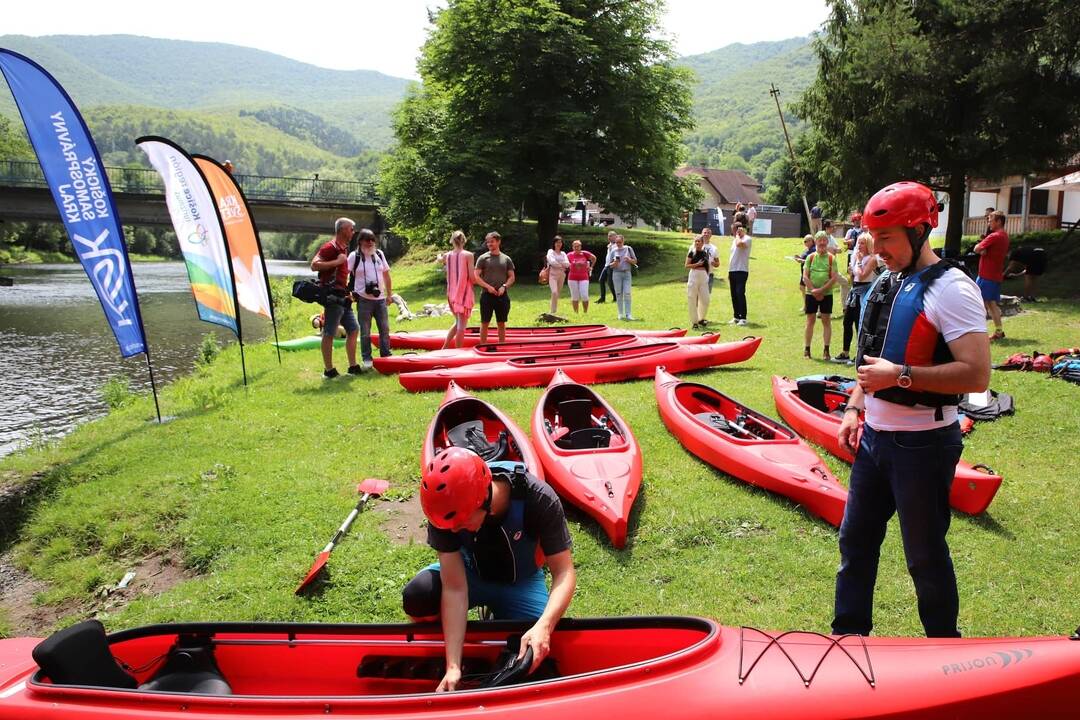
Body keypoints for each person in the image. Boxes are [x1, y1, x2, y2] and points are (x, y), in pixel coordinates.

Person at [834, 180, 990, 639]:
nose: (876, 248)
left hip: (923, 444)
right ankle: (848, 638)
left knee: (923, 554)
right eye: (872, 237)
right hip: (875, 440)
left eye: (886, 238)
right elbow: (870, 361)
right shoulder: (888, 281)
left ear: (921, 231)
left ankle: (944, 647)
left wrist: (902, 376)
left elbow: (976, 375)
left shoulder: (953, 289)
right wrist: (852, 408)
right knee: (855, 543)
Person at [402, 447, 576, 692]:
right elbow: (454, 587)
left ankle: (503, 617)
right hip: (470, 575)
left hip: (521, 582)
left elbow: (564, 572)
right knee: (418, 596)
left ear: (484, 499)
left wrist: (544, 627)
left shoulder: (538, 497)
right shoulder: (445, 511)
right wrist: (453, 665)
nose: (454, 530)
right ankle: (437, 643)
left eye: (461, 522)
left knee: (540, 652)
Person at [310, 217, 360, 378]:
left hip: (343, 297)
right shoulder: (329, 247)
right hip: (332, 297)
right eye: (351, 229)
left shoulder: (343, 248)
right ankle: (329, 370)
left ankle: (353, 367)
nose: (353, 232)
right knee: (329, 332)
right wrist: (336, 262)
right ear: (343, 230)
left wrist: (348, 292)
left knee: (353, 329)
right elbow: (314, 265)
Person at [347, 229, 393, 369]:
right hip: (363, 299)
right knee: (365, 331)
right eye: (367, 240)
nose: (371, 242)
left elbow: (386, 274)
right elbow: (345, 274)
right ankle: (367, 359)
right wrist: (348, 292)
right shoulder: (354, 256)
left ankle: (386, 355)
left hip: (380, 299)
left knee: (384, 329)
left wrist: (389, 294)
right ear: (360, 241)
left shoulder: (379, 254)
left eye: (373, 239)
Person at [837, 232, 878, 362]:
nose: (859, 245)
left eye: (862, 243)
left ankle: (859, 353)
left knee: (859, 324)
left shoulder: (871, 259)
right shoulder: (855, 256)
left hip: (864, 291)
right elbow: (854, 276)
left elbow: (862, 276)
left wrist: (859, 262)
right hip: (854, 290)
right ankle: (845, 352)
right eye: (858, 242)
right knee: (847, 321)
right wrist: (852, 269)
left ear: (868, 244)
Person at [802, 231, 839, 360]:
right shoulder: (810, 257)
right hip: (810, 294)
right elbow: (805, 276)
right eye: (820, 240)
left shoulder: (831, 258)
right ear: (816, 242)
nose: (822, 243)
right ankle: (807, 349)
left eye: (824, 240)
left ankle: (826, 350)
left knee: (826, 321)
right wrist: (813, 290)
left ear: (827, 242)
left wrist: (821, 290)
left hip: (826, 294)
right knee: (810, 321)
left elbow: (834, 278)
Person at [473, 232, 516, 343]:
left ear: (498, 242)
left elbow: (512, 277)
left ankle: (502, 345)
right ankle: (483, 346)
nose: (489, 244)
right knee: (485, 322)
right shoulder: (483, 258)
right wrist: (488, 287)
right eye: (488, 242)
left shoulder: (506, 259)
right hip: (487, 295)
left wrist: (504, 287)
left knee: (501, 323)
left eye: (492, 241)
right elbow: (476, 277)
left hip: (502, 295)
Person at [973, 210, 1009, 341]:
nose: (988, 222)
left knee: (979, 304)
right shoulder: (1004, 236)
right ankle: (999, 332)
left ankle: (978, 333)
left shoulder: (994, 236)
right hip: (995, 275)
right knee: (992, 305)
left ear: (999, 221)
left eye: (990, 220)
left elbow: (976, 248)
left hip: (986, 276)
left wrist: (981, 248)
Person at [437, 230, 475, 349]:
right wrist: (486, 284)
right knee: (461, 326)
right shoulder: (468, 255)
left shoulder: (447, 255)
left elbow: (440, 259)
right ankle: (458, 352)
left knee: (458, 322)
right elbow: (472, 278)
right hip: (463, 294)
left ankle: (445, 347)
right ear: (464, 240)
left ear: (452, 241)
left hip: (451, 294)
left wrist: (438, 256)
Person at [606, 234, 638, 320]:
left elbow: (635, 261)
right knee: (619, 294)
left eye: (620, 242)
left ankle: (628, 314)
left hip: (627, 273)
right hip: (617, 274)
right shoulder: (613, 250)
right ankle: (620, 313)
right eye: (616, 242)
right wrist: (615, 263)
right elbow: (610, 265)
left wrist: (629, 260)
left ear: (623, 241)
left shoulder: (628, 249)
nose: (618, 244)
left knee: (627, 293)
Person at [727, 222, 751, 326]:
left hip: (742, 270)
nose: (733, 232)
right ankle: (736, 316)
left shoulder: (747, 239)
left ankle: (743, 318)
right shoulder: (734, 240)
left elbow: (739, 245)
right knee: (733, 294)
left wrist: (738, 236)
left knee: (740, 293)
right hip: (732, 270)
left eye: (735, 230)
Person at [685, 234, 711, 329]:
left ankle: (701, 318)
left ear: (702, 243)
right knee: (692, 298)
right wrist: (696, 264)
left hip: (703, 277)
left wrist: (706, 275)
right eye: (696, 241)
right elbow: (687, 265)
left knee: (705, 299)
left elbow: (707, 266)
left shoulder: (705, 253)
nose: (697, 243)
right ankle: (694, 321)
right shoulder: (692, 252)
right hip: (694, 276)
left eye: (699, 241)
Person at [565, 239, 596, 314]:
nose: (576, 248)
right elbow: (564, 264)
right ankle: (576, 313)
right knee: (575, 296)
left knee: (584, 295)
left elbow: (594, 258)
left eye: (578, 246)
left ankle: (585, 312)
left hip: (584, 277)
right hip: (572, 278)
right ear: (572, 247)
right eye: (575, 246)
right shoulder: (569, 255)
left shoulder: (585, 253)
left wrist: (591, 267)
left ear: (580, 246)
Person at [545, 236, 570, 315]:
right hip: (552, 274)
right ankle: (552, 311)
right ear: (554, 243)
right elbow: (552, 261)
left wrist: (560, 264)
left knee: (557, 294)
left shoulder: (563, 253)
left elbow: (567, 264)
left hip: (562, 275)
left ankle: (553, 310)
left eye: (560, 242)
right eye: (557, 242)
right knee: (554, 292)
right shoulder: (551, 251)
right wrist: (561, 265)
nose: (559, 244)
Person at [596, 230, 618, 304]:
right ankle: (602, 298)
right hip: (606, 265)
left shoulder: (617, 245)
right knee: (601, 280)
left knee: (610, 283)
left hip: (611, 266)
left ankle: (616, 297)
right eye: (609, 236)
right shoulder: (610, 245)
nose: (609, 237)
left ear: (615, 236)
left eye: (611, 236)